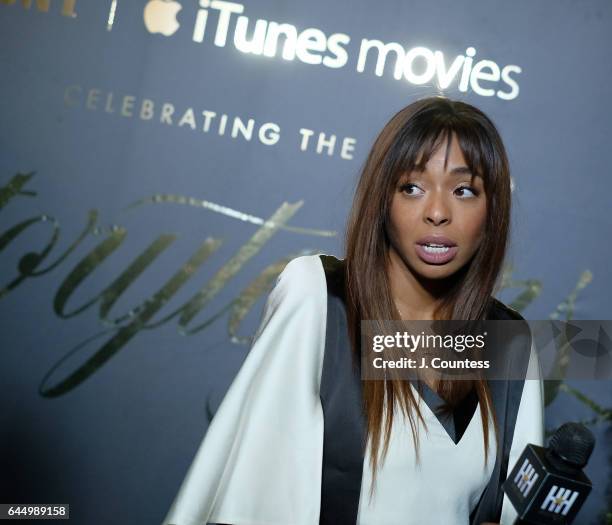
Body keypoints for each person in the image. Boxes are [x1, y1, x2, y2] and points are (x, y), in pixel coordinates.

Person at [161, 96, 545, 525]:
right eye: (412, 187)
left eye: (464, 190)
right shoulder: (320, 297)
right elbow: (252, 494)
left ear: (492, 210)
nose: (438, 212)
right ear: (383, 200)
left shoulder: (509, 343)